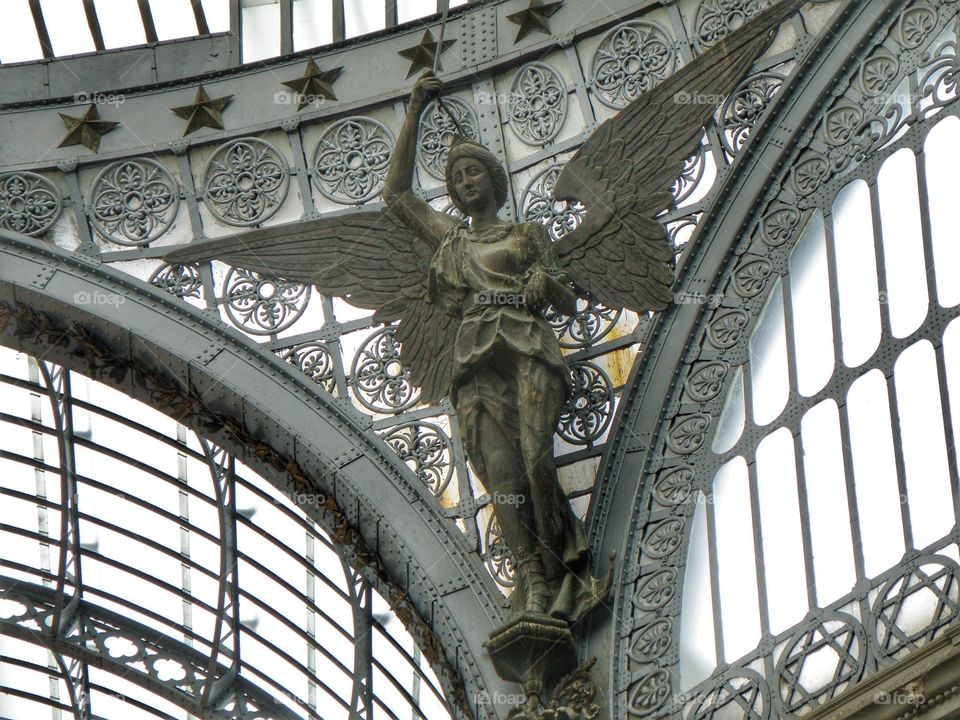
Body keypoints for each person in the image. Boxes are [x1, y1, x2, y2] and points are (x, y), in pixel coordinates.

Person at [383, 71, 605, 622]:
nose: (464, 182)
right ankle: (531, 578)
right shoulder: (450, 238)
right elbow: (396, 195)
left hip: (528, 347)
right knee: (502, 477)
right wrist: (413, 108)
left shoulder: (526, 235)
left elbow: (566, 298)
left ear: (493, 178)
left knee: (535, 461)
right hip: (474, 359)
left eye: (473, 170)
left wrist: (542, 285)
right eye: (456, 177)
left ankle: (559, 568)